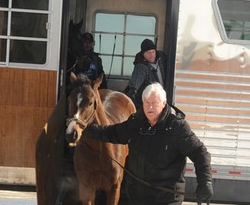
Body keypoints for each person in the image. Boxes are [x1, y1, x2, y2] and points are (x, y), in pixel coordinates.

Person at [82, 82, 213, 205]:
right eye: (147, 103)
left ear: (164, 103)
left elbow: (200, 152)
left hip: (166, 198)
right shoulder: (136, 122)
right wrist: (86, 129)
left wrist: (205, 182)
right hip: (137, 197)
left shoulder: (176, 127)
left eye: (154, 103)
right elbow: (113, 133)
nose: (150, 107)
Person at [125, 38, 167, 109]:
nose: (151, 55)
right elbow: (136, 81)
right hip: (149, 102)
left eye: (153, 52)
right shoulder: (141, 66)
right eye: (148, 53)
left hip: (162, 98)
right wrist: (132, 90)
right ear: (143, 54)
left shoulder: (161, 60)